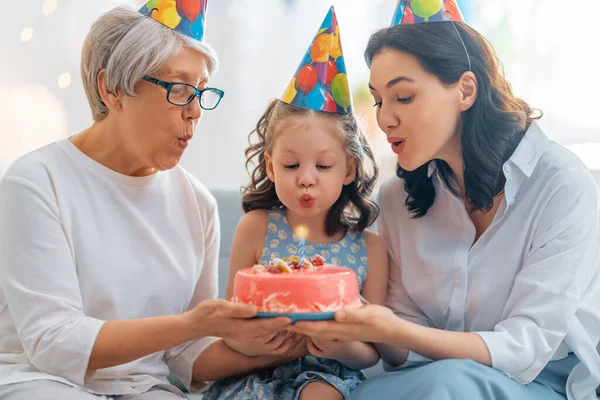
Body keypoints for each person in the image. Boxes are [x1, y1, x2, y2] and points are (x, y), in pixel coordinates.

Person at [289, 1, 600, 400]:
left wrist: (393, 329)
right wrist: (346, 335)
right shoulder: (398, 197)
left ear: (465, 90)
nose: (383, 119)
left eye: (403, 97)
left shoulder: (559, 182)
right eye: (379, 100)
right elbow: (400, 352)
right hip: (438, 379)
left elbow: (528, 345)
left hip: (546, 383)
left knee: (447, 384)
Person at [0, 3, 297, 399]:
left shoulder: (197, 204)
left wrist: (268, 350)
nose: (194, 111)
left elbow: (186, 353)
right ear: (112, 89)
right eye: (179, 89)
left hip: (146, 388)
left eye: (202, 92)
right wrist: (194, 323)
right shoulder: (36, 181)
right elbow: (53, 342)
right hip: (41, 382)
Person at [203, 7, 389, 400]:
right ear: (270, 165)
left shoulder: (369, 248)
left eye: (323, 165)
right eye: (291, 164)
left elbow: (374, 351)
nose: (306, 177)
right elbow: (230, 322)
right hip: (255, 372)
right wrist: (256, 346)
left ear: (350, 169)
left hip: (327, 376)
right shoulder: (256, 227)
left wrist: (341, 347)